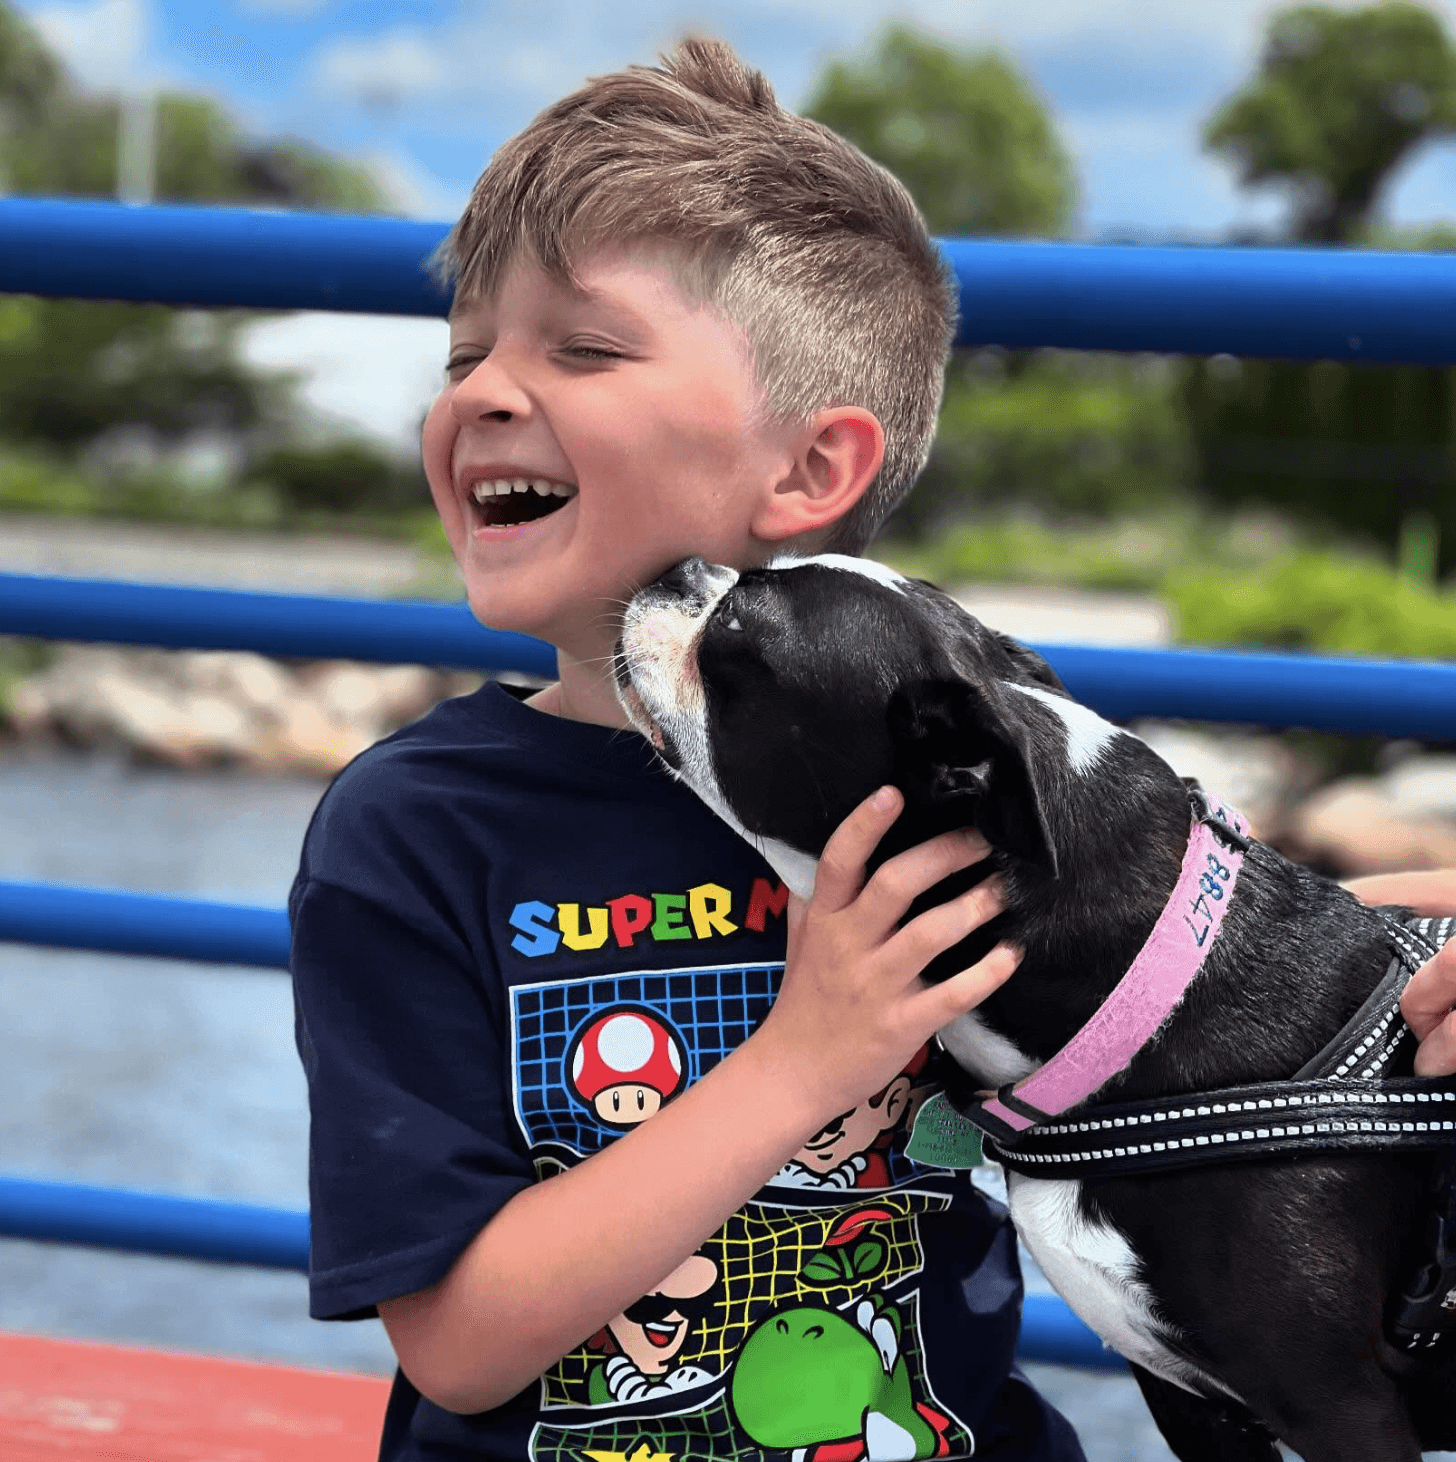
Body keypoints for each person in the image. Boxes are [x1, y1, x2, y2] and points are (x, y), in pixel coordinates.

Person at [288, 38, 1456, 1462]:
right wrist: (803, 1062)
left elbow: (1255, 985)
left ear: (813, 471)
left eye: (581, 346)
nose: (480, 389)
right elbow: (460, 1347)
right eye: (464, 350)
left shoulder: (943, 784)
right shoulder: (412, 832)